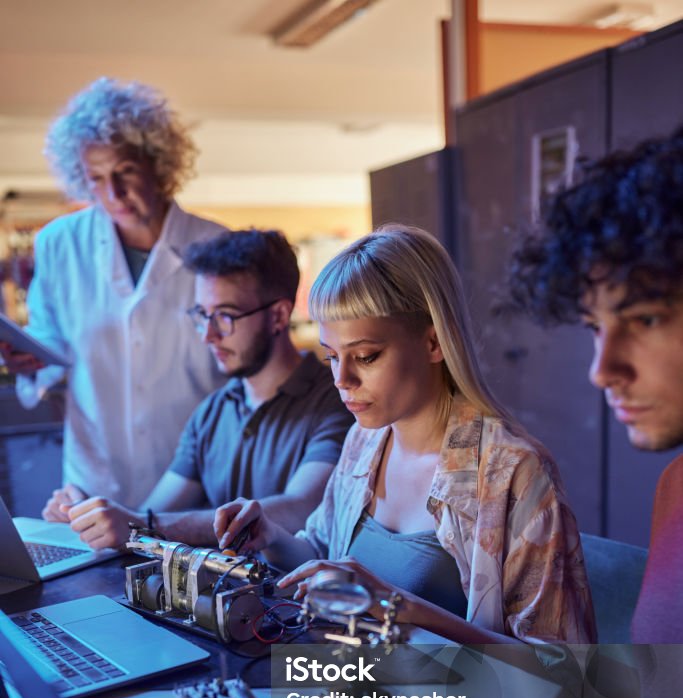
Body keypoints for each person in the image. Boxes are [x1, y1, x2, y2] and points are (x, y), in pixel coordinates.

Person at [283, 129, 683, 698]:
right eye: (592, 327)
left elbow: (562, 696)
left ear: (427, 342)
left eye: (646, 318)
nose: (599, 369)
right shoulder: (673, 492)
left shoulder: (509, 469)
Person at [215, 224, 595, 647]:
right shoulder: (365, 441)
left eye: (365, 356)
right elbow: (327, 560)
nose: (342, 380)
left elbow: (562, 678)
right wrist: (271, 536)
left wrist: (396, 605)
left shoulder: (513, 472)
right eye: (331, 356)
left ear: (434, 342)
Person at [42, 229, 353, 549]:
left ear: (278, 315)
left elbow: (300, 508)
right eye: (203, 315)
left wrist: (139, 525)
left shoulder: (338, 400)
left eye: (225, 316)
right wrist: (87, 516)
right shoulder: (213, 412)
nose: (209, 335)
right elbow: (155, 512)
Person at [0, 77, 226, 508]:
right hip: (96, 474)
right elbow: (50, 341)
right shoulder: (59, 243)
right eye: (97, 178)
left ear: (158, 164)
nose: (113, 193)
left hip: (196, 475)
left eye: (124, 172)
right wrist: (27, 360)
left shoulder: (216, 245)